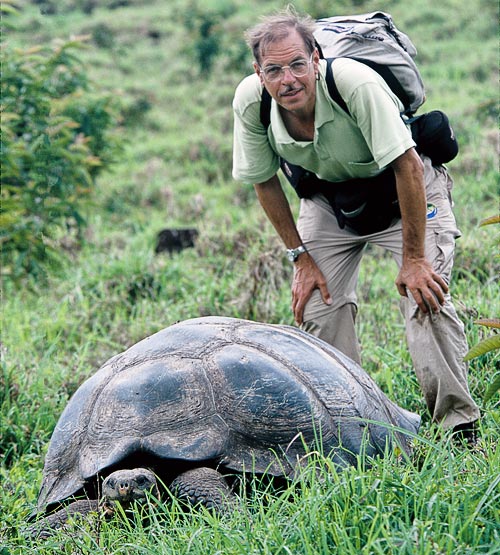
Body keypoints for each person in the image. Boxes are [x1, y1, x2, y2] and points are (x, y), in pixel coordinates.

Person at [232, 7, 480, 443]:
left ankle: (457, 426)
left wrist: (415, 258)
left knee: (425, 296)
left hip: (405, 189)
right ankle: (350, 429)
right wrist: (300, 257)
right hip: (331, 199)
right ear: (258, 72)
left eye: (296, 64)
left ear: (316, 57)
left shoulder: (354, 84)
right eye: (274, 70)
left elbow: (407, 166)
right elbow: (263, 181)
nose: (287, 79)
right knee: (317, 308)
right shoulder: (252, 102)